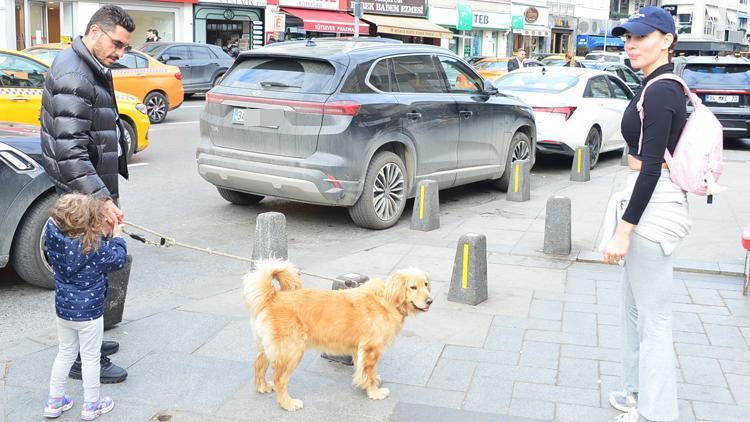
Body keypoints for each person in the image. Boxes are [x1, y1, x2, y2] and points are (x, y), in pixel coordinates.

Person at [601, 6, 689, 422]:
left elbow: (652, 166)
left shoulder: (662, 90)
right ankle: (634, 392)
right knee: (633, 309)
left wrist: (623, 231)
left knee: (655, 320)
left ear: (667, 41)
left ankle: (657, 413)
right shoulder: (652, 83)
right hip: (647, 196)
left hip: (654, 204)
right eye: (628, 37)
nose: (630, 44)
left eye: (640, 37)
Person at [39, 4, 134, 385]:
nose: (120, 53)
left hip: (87, 189)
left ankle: (88, 339)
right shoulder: (75, 73)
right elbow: (70, 150)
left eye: (126, 47)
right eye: (117, 44)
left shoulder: (88, 65)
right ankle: (82, 357)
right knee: (85, 274)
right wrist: (103, 199)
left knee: (89, 273)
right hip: (83, 195)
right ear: (95, 32)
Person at [43, 194, 127, 420]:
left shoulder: (53, 239)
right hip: (89, 314)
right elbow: (118, 259)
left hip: (64, 311)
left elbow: (59, 227)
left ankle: (54, 402)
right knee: (90, 358)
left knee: (65, 353)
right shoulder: (94, 246)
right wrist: (116, 235)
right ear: (89, 222)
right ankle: (91, 406)